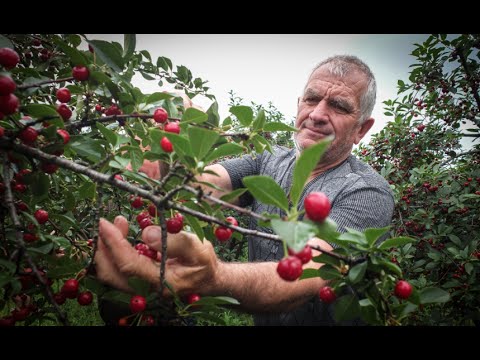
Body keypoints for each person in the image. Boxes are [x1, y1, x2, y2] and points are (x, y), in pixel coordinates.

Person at [95, 55, 395, 326]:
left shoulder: (367, 192)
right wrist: (168, 144)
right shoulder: (267, 161)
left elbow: (305, 276)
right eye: (311, 99)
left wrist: (214, 277)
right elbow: (200, 185)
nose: (317, 113)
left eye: (339, 106)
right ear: (298, 105)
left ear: (361, 129)